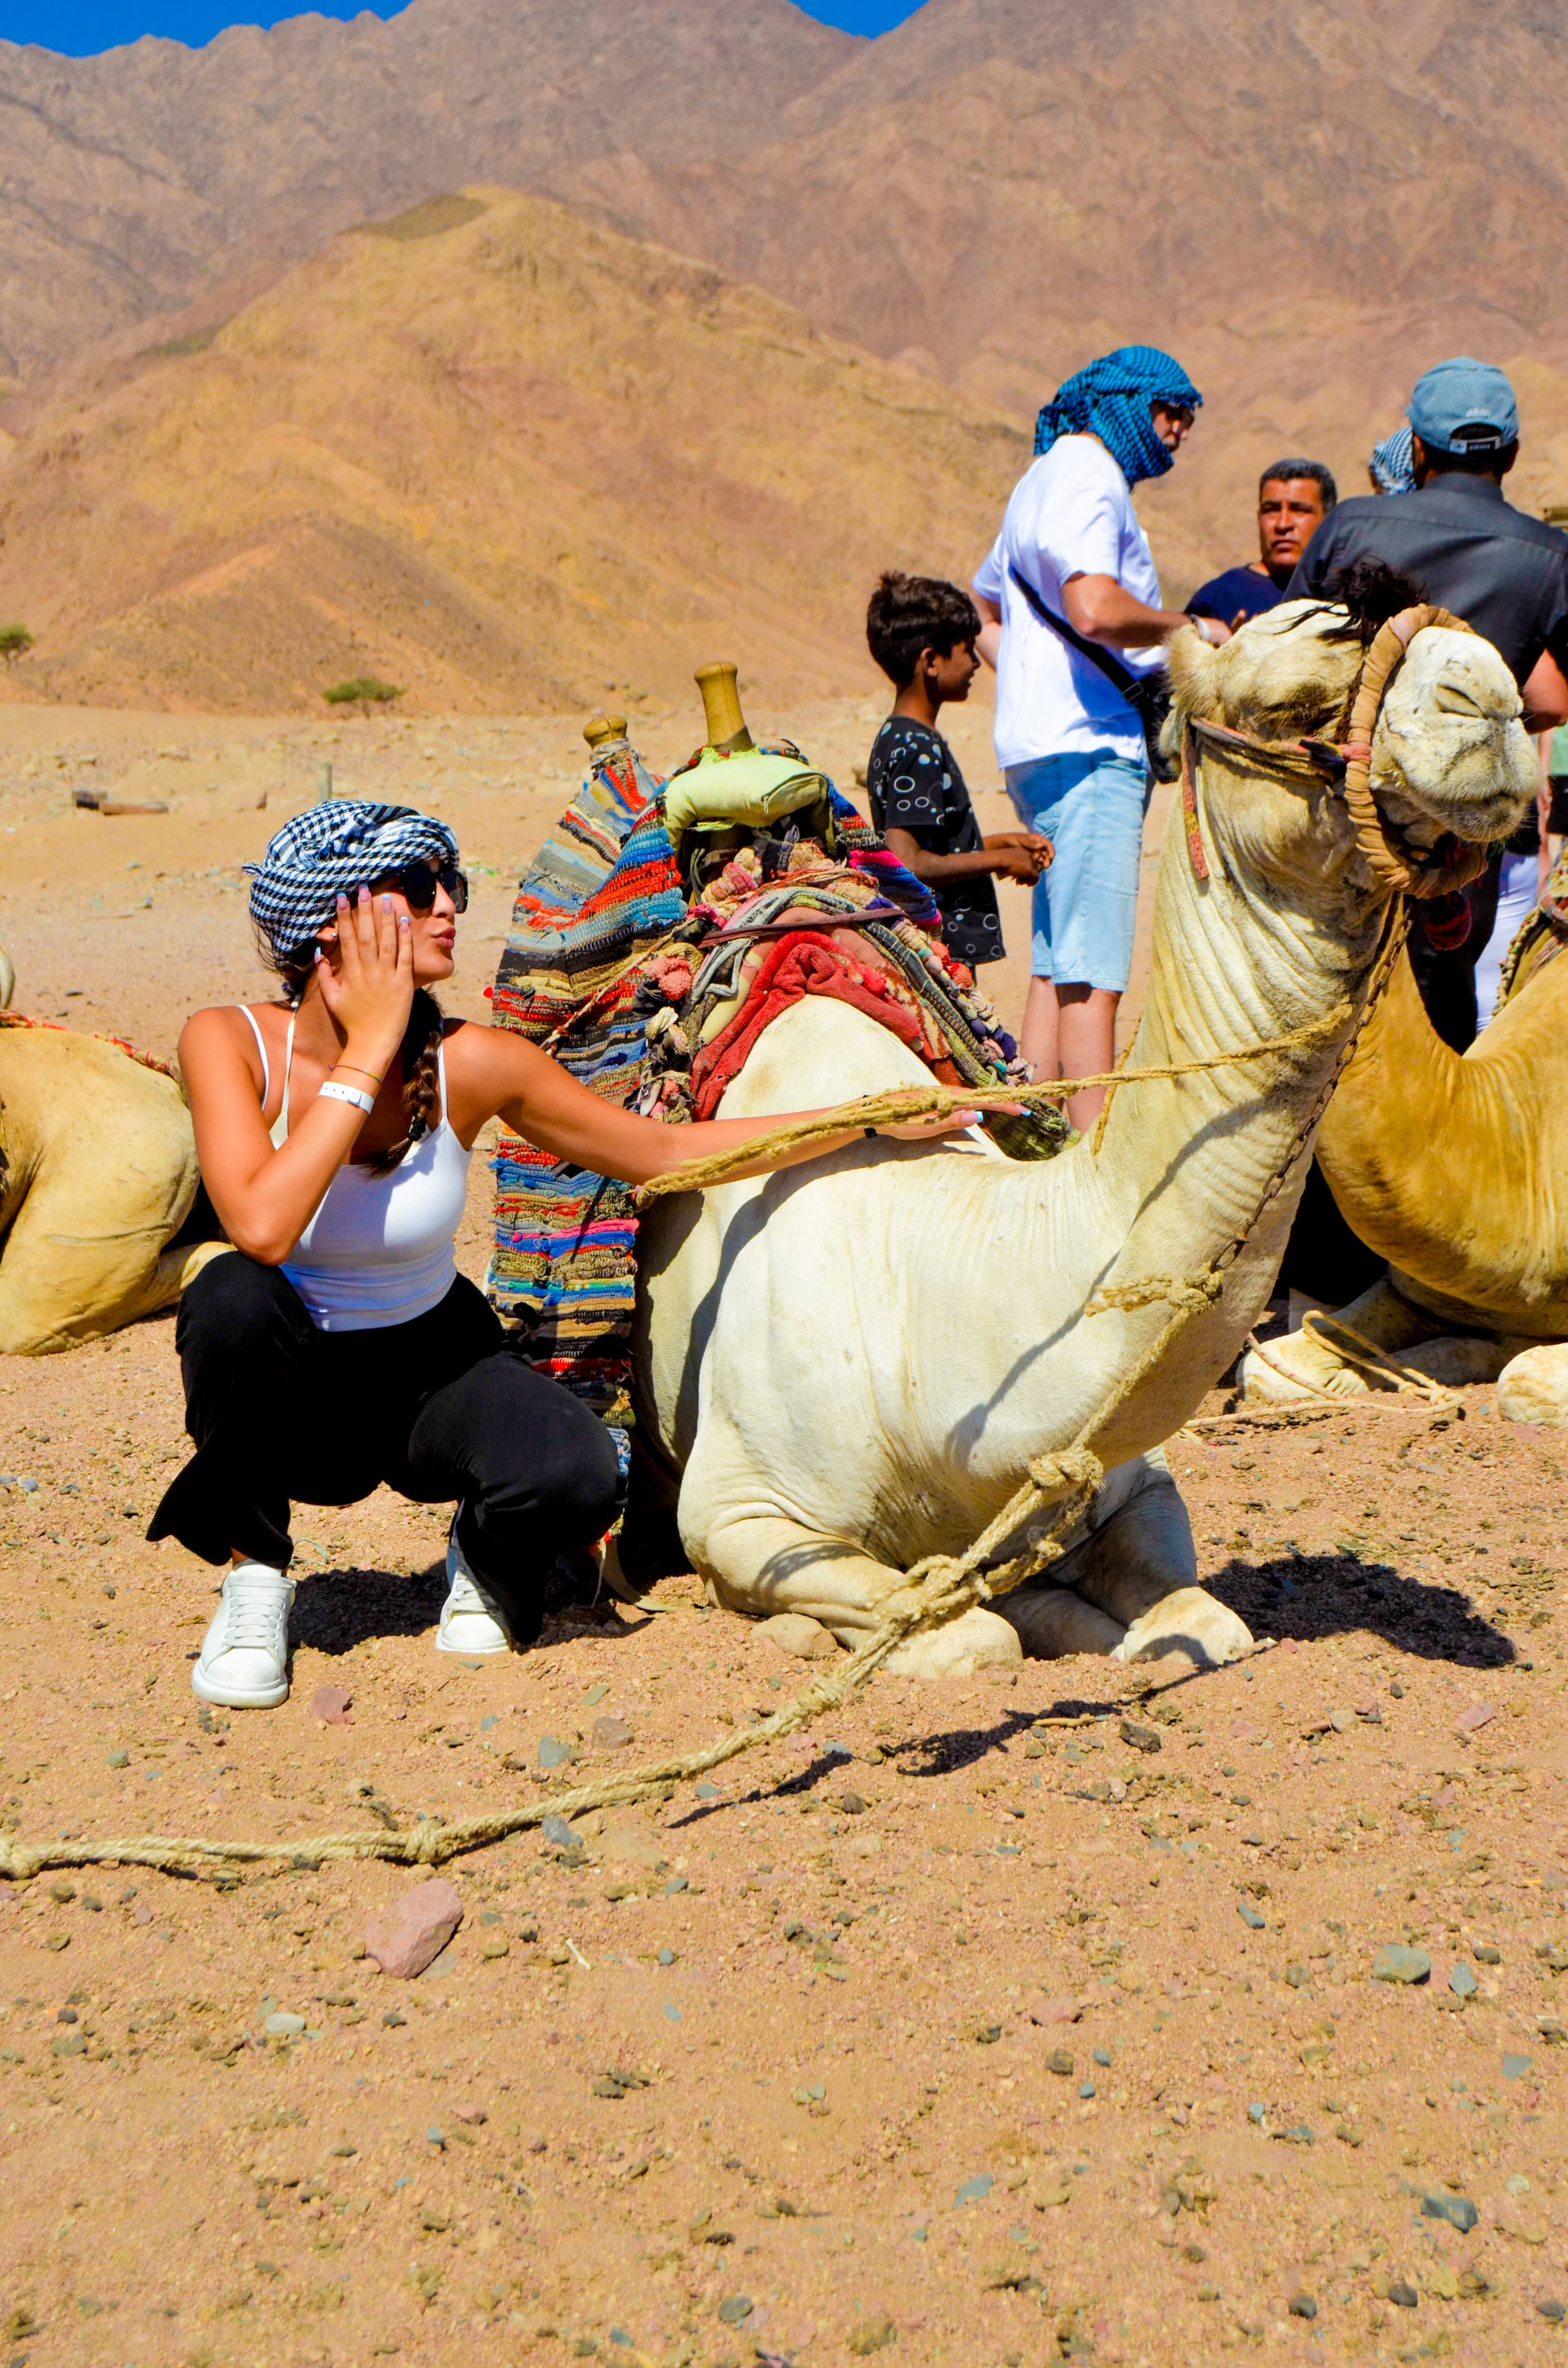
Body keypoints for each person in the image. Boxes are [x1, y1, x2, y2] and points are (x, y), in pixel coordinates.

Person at [150, 801, 976, 1711]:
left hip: (429, 1367)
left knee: (582, 1475)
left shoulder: (472, 1062)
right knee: (230, 1296)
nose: (447, 907)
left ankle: (487, 1558)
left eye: (451, 885)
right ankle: (256, 1577)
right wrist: (372, 1044)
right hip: (292, 1388)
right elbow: (263, 1227)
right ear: (331, 922)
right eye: (419, 888)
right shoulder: (227, 1040)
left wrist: (860, 1115)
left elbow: (656, 1152)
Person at [971, 345, 1221, 1128]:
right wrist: (1195, 628)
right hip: (1089, 748)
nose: (1178, 429)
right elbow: (1091, 607)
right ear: (1121, 405)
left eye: (1185, 415)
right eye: (1166, 410)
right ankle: (1092, 1157)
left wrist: (1029, 680)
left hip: (1038, 745)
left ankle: (1036, 1133)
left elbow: (981, 607)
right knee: (1093, 970)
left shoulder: (1039, 477)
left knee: (1054, 958)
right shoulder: (1091, 475)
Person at [1293, 357, 1568, 1051]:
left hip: (1331, 829)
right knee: (1436, 1016)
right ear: (1510, 453)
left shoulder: (1348, 526)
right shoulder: (1547, 556)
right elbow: (1554, 699)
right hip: (1451, 847)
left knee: (1319, 1016)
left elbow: (1287, 664)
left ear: (1415, 448)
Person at [863, 571, 1051, 971]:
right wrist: (999, 862)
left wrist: (1000, 844)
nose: (975, 663)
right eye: (966, 650)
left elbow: (928, 840)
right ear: (931, 661)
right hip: (938, 953)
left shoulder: (896, 736)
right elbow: (908, 861)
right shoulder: (918, 749)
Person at [1186, 459, 1337, 630]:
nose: (1282, 524)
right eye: (1271, 510)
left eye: (1299, 510)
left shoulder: (1347, 597)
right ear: (1259, 518)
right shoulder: (1219, 597)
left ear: (1330, 520)